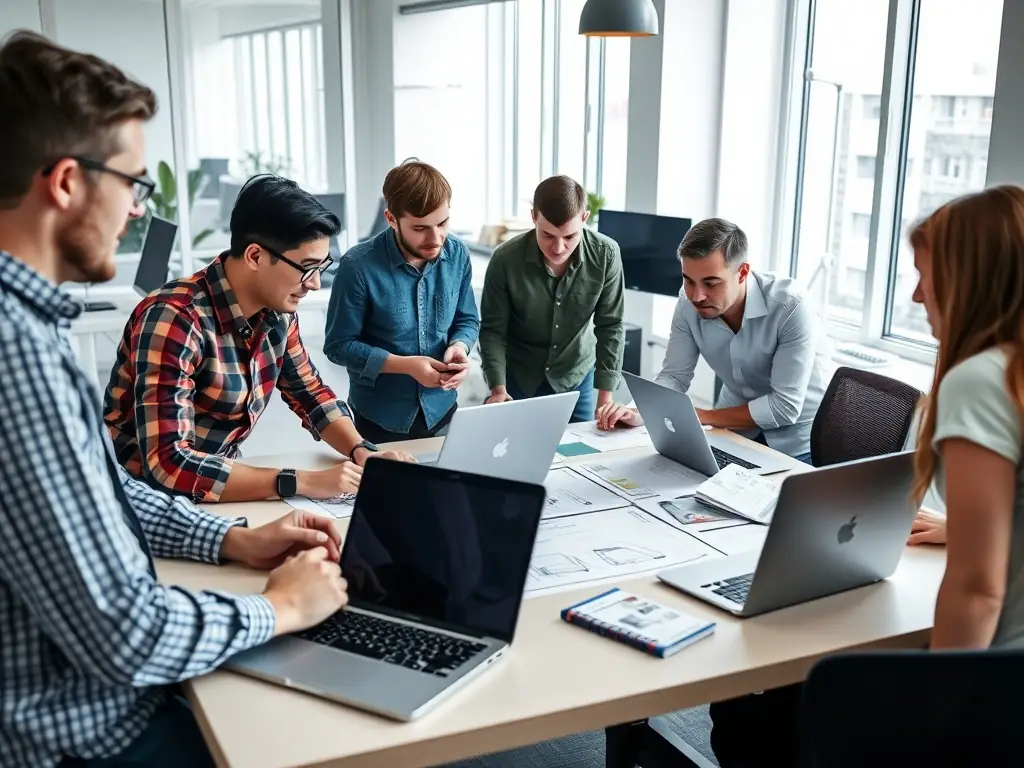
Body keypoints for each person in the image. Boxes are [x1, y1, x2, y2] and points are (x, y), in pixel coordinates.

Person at [0, 31, 349, 768]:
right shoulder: (19, 354)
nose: (137, 211)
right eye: (133, 182)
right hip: (75, 728)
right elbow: (123, 631)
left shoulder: (32, 327)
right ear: (66, 182)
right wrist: (280, 607)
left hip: (101, 671)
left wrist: (232, 539)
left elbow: (109, 489)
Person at [706, 184, 1024, 766]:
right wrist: (977, 527)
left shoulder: (980, 381)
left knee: (751, 713)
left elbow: (979, 589)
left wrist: (940, 717)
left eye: (930, 276)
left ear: (976, 280)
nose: (917, 293)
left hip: (995, 690)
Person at [103, 174, 411, 504]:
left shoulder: (277, 312)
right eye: (307, 268)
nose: (316, 283)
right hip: (137, 503)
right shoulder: (175, 319)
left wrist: (362, 450)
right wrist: (300, 481)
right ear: (255, 256)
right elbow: (168, 464)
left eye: (323, 266)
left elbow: (310, 394)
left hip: (214, 492)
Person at [595, 217, 832, 463]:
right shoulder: (688, 303)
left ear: (742, 273)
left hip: (800, 441)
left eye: (711, 283)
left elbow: (784, 407)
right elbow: (675, 377)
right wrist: (639, 411)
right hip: (736, 433)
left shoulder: (790, 307)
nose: (697, 295)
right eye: (688, 280)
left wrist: (700, 416)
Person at [323, 160, 480, 443]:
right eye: (420, 228)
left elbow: (467, 319)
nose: (435, 238)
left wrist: (459, 347)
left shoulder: (458, 255)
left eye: (442, 223)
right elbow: (338, 346)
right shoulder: (357, 267)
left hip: (444, 412)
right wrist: (405, 365)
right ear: (391, 219)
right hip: (380, 420)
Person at [478, 175, 624, 423]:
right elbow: (493, 331)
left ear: (585, 218)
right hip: (519, 377)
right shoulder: (505, 259)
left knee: (580, 453)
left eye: (569, 237)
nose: (558, 248)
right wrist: (498, 389)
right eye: (547, 235)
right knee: (516, 453)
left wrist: (606, 399)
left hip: (576, 375)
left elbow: (611, 326)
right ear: (534, 216)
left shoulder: (606, 255)